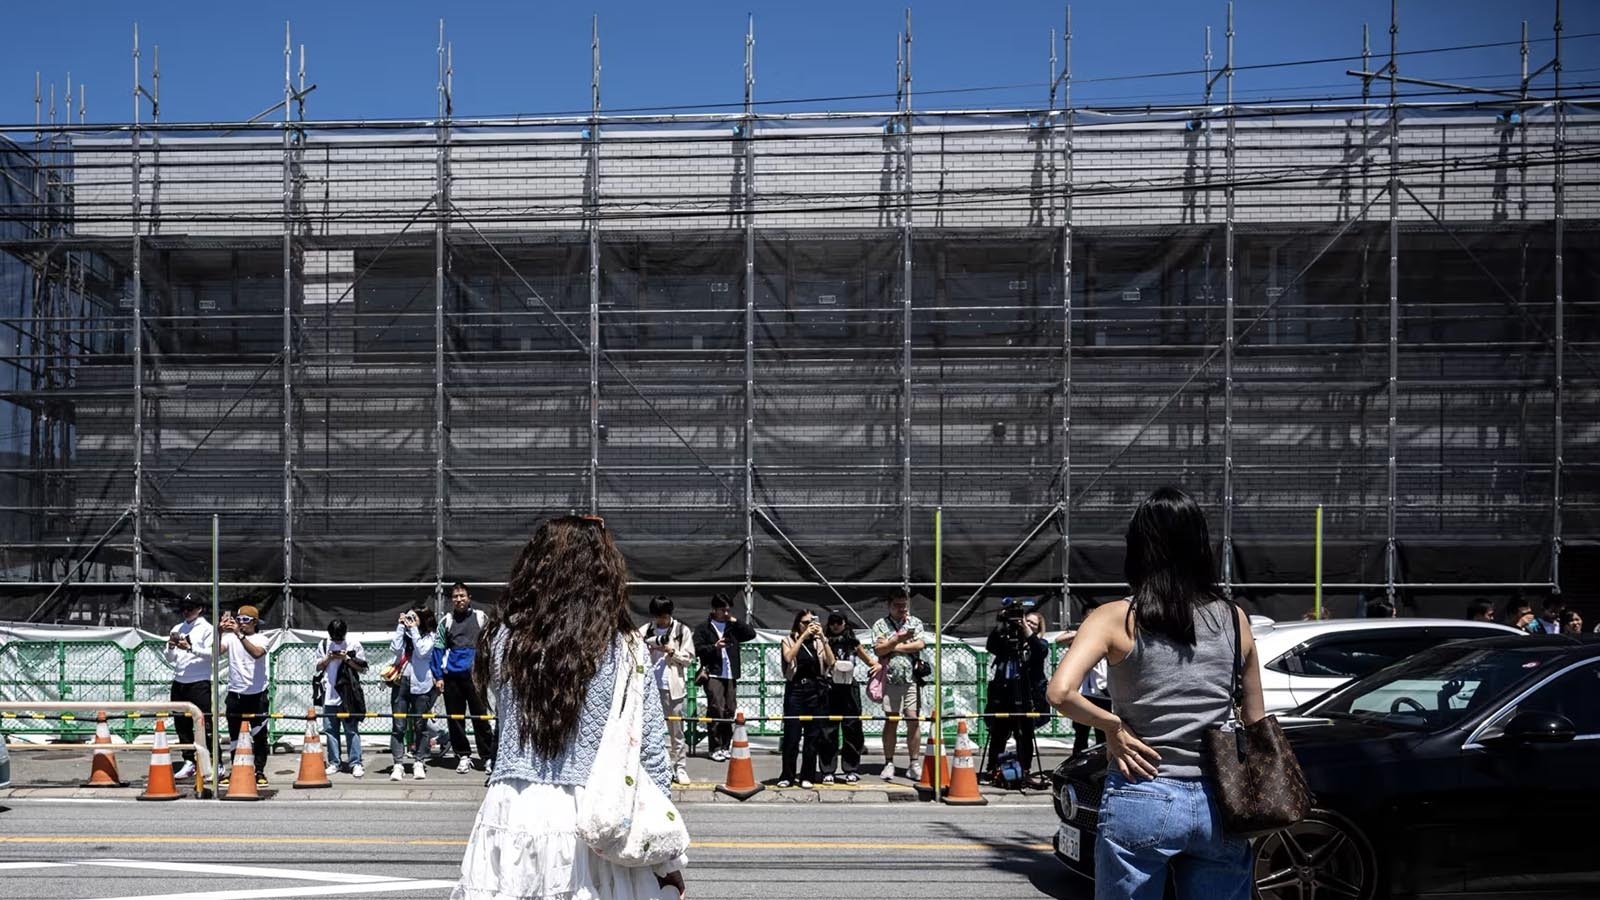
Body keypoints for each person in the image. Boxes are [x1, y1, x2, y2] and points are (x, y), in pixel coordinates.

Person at [1046, 486, 1266, 900]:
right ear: (1201, 546)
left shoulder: (1114, 618)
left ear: (1138, 548)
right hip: (1219, 801)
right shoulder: (1234, 619)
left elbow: (1060, 692)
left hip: (1140, 793)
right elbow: (1256, 720)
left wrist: (1112, 725)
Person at [453, 515, 686, 900]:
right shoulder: (623, 646)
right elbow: (651, 753)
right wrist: (665, 860)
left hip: (512, 805)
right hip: (595, 816)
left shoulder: (502, 639)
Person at [983, 599, 1050, 782]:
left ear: (1038, 628)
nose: (1027, 624)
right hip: (1004, 694)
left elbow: (1040, 650)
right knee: (998, 733)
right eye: (1026, 620)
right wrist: (1002, 623)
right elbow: (991, 646)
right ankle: (993, 768)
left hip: (1027, 695)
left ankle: (1025, 769)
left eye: (1033, 623)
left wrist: (1026, 630)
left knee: (1024, 734)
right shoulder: (1006, 640)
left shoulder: (1038, 644)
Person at [436, 582, 495, 775]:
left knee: (481, 717)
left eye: (462, 596)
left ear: (469, 597)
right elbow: (438, 650)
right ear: (451, 600)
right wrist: (438, 676)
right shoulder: (446, 621)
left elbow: (491, 645)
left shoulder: (480, 618)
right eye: (455, 596)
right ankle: (463, 755)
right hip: (452, 677)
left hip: (476, 677)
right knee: (455, 719)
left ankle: (487, 757)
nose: (459, 599)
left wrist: (489, 672)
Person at [692, 593, 757, 763]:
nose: (726, 613)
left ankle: (725, 746)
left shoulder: (732, 626)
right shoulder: (704, 628)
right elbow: (697, 649)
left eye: (728, 609)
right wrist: (715, 647)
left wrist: (736, 621)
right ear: (714, 610)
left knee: (730, 710)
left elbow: (751, 634)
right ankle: (714, 747)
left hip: (730, 673)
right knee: (716, 709)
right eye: (723, 610)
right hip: (713, 672)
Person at [871, 590, 927, 781]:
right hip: (890, 678)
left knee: (913, 718)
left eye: (904, 605)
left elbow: (919, 644)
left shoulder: (915, 622)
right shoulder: (880, 625)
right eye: (897, 605)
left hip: (911, 678)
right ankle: (889, 762)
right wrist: (897, 640)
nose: (901, 609)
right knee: (892, 720)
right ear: (889, 605)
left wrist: (892, 645)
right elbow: (878, 649)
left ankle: (914, 763)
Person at [639, 595, 695, 785]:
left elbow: (689, 659)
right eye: (658, 616)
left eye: (664, 616)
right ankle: (657, 768)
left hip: (673, 687)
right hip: (649, 687)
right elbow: (634, 650)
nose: (661, 620)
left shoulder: (681, 630)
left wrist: (672, 651)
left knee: (676, 731)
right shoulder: (646, 630)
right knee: (650, 731)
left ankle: (680, 768)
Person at [777, 610, 835, 789]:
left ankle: (807, 775)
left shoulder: (819, 641)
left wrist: (823, 638)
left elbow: (831, 661)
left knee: (813, 735)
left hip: (816, 690)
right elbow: (788, 657)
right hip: (796, 689)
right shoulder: (788, 640)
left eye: (812, 621)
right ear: (797, 623)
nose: (809, 625)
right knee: (791, 735)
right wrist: (802, 637)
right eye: (804, 622)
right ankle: (787, 774)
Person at [819, 611, 878, 784]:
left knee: (852, 729)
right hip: (830, 686)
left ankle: (851, 768)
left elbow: (870, 661)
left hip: (849, 686)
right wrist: (824, 640)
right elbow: (828, 662)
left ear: (845, 623)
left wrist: (876, 668)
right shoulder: (824, 642)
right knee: (828, 730)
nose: (836, 625)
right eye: (832, 622)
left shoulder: (853, 643)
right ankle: (827, 769)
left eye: (839, 622)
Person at [163, 593, 215, 780]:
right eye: (184, 607)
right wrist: (170, 646)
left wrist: (190, 648)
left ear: (199, 608)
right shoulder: (178, 627)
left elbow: (213, 654)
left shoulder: (207, 629)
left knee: (204, 722)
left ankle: (213, 761)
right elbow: (170, 658)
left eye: (190, 608)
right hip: (179, 680)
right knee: (181, 723)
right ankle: (189, 761)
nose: (186, 611)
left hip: (199, 681)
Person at [219, 605, 270, 787]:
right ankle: (236, 769)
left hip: (257, 694)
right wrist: (219, 631)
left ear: (255, 622)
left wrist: (240, 636)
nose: (241, 623)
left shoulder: (261, 638)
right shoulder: (230, 638)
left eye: (245, 620)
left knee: (259, 735)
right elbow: (216, 652)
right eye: (238, 619)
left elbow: (257, 653)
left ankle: (259, 771)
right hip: (236, 693)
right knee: (234, 736)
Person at [389, 606, 439, 782]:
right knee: (398, 725)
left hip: (421, 684)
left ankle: (419, 762)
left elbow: (422, 652)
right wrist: (401, 627)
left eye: (414, 617)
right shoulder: (405, 633)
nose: (410, 620)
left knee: (420, 726)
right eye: (408, 617)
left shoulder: (431, 636)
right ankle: (398, 764)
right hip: (401, 682)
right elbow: (394, 649)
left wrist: (413, 629)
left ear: (423, 620)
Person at [315, 618, 368, 778]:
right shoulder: (324, 644)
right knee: (330, 730)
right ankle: (334, 762)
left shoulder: (354, 644)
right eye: (334, 637)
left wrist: (347, 659)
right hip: (329, 693)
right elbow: (317, 666)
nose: (337, 640)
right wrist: (329, 658)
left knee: (351, 730)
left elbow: (363, 668)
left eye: (340, 637)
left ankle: (356, 762)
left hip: (348, 694)